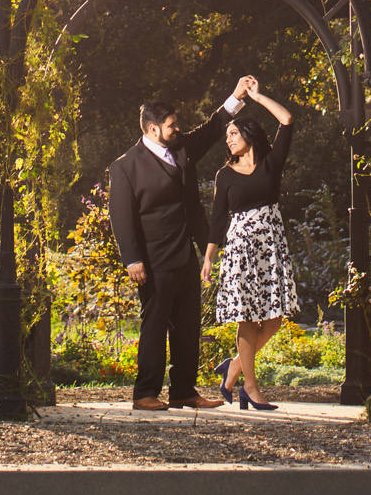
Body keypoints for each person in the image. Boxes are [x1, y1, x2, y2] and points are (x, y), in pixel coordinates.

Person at [107, 75, 256, 410]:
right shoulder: (124, 168)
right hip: (152, 260)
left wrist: (236, 95)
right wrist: (132, 259)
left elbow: (213, 126)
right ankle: (145, 392)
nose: (177, 130)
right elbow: (121, 217)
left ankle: (183, 391)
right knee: (155, 326)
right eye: (171, 125)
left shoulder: (182, 149)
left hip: (185, 254)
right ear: (152, 129)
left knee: (188, 325)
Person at [200, 80, 296, 410]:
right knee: (247, 318)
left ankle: (233, 369)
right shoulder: (224, 175)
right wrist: (209, 257)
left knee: (273, 320)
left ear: (249, 135)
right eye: (226, 136)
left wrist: (256, 97)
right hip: (241, 248)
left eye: (233, 134)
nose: (228, 140)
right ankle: (250, 389)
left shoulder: (271, 162)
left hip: (270, 245)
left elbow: (286, 119)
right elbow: (217, 218)